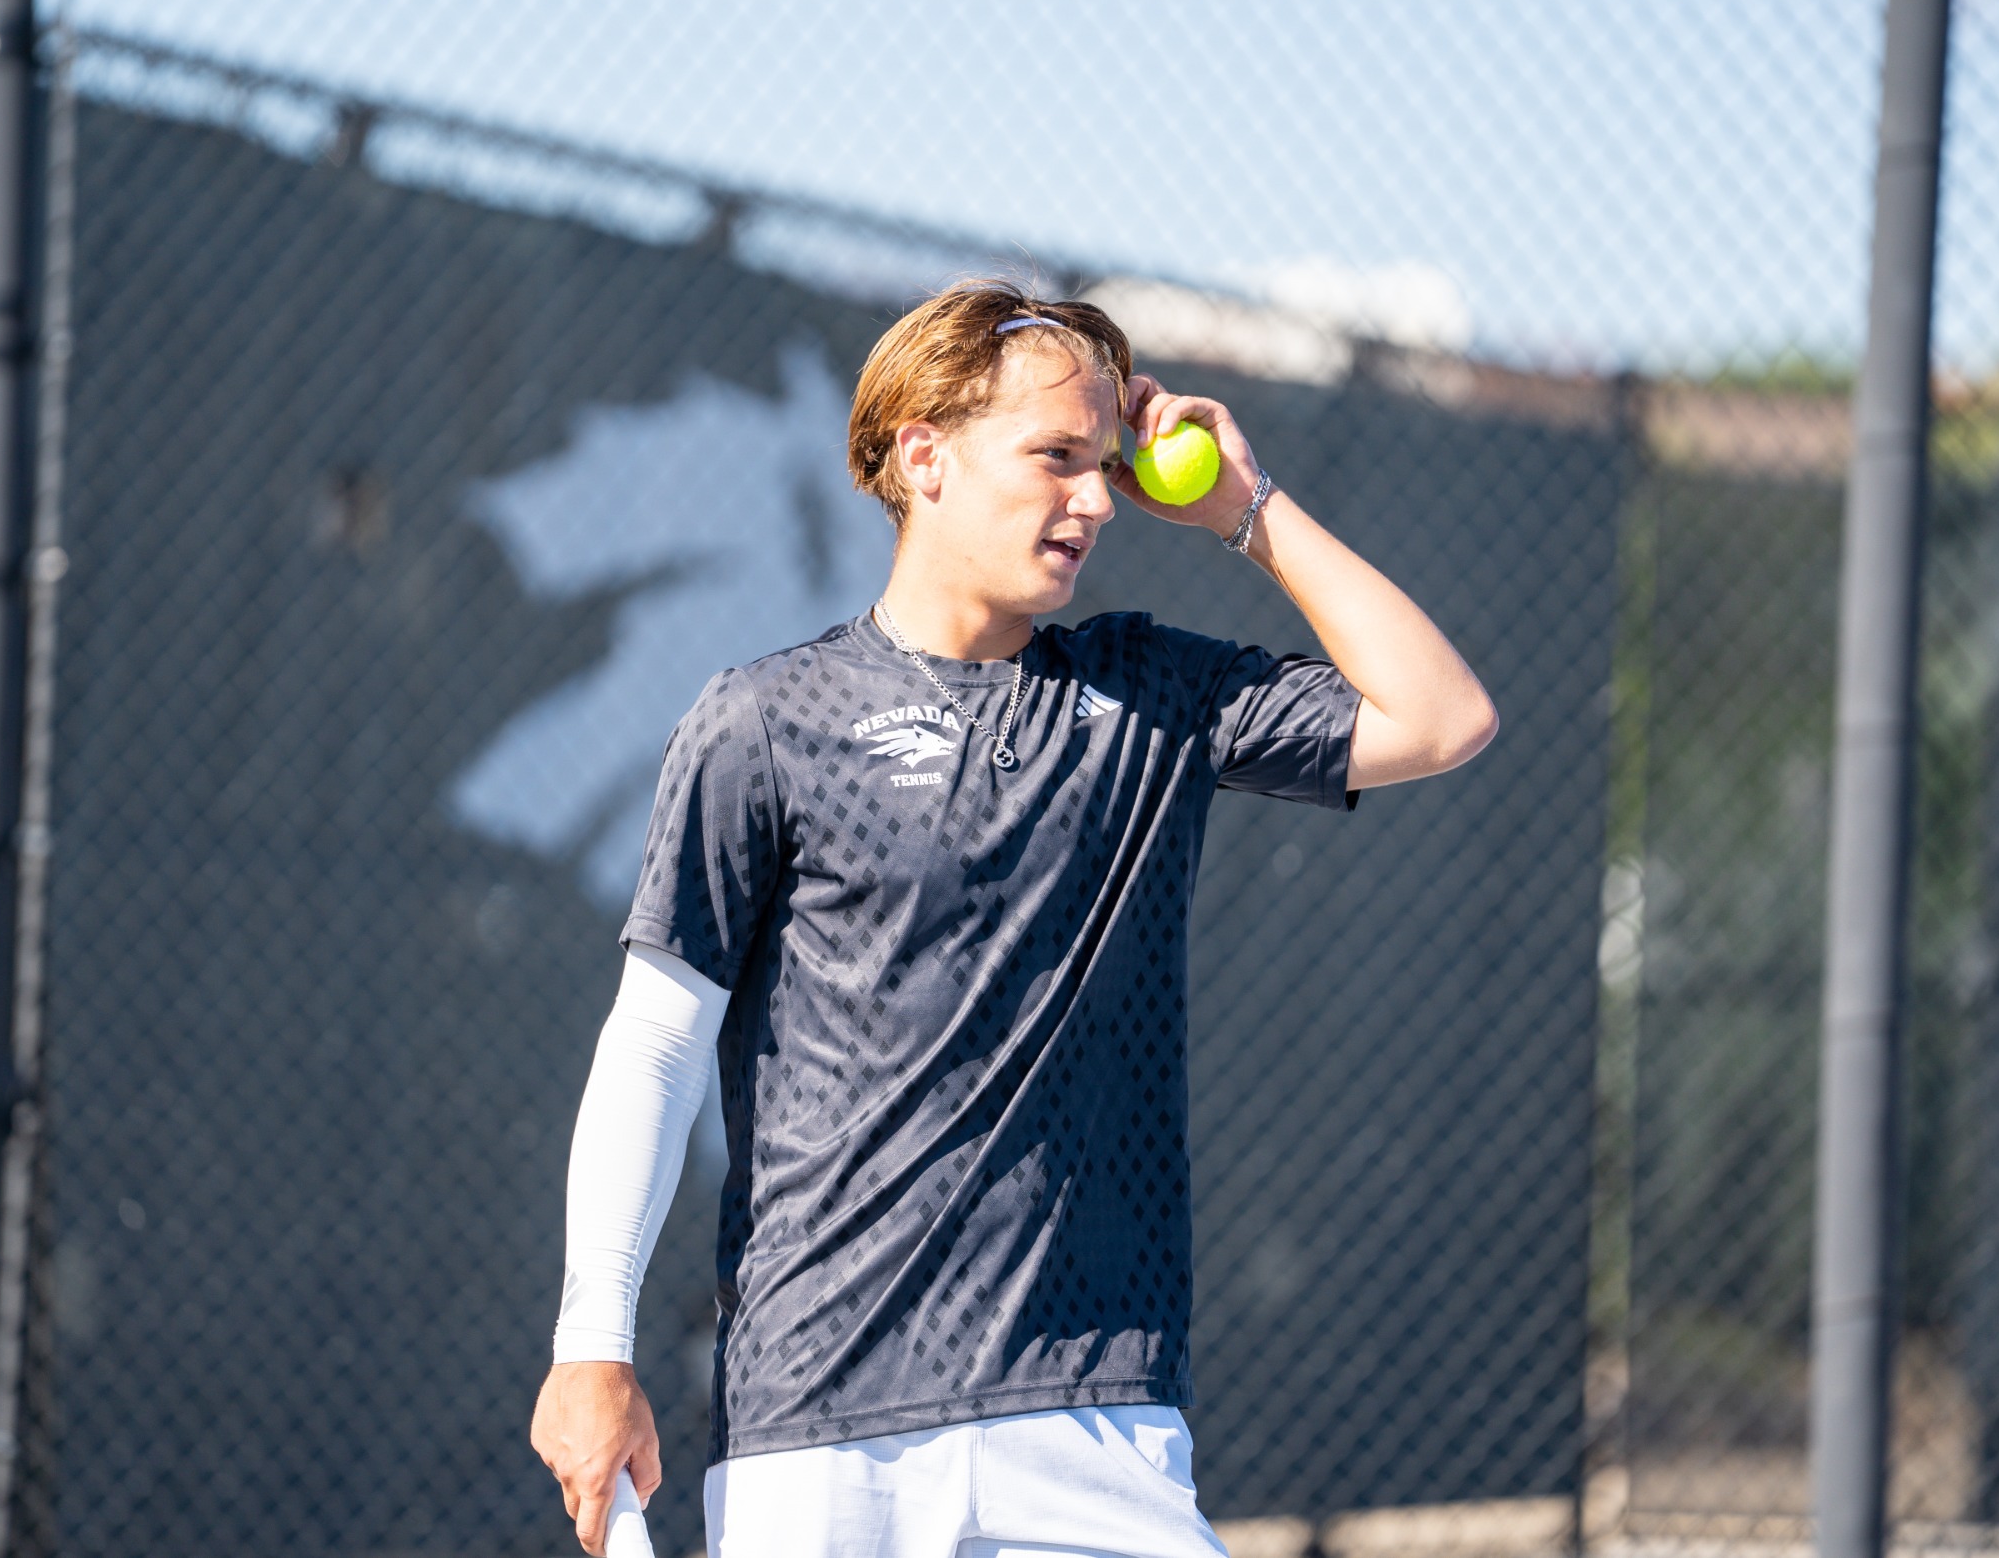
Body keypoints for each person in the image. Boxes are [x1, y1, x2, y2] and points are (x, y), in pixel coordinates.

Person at [529, 281, 1498, 1558]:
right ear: (922, 455)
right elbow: (654, 1041)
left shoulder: (1152, 694)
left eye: (1103, 463)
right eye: (1054, 457)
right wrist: (589, 1350)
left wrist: (1247, 512)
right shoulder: (766, 720)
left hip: (1098, 1415)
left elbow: (1440, 718)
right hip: (821, 1423)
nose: (1096, 498)